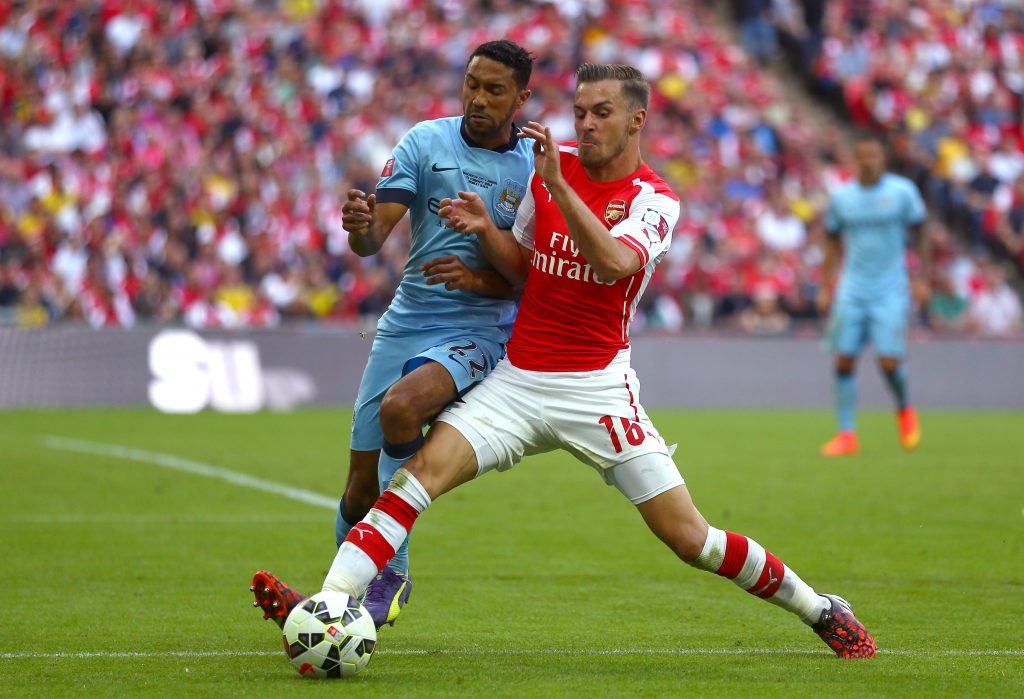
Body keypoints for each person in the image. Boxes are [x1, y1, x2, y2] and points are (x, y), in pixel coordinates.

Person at [254, 63, 876, 660]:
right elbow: (524, 268)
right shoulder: (552, 172)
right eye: (579, 112)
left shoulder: (653, 199)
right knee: (416, 481)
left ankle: (820, 609)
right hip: (518, 381)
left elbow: (612, 263)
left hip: (598, 391)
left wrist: (555, 185)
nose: (585, 125)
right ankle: (330, 603)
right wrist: (482, 234)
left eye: (601, 113)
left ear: (637, 120)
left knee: (693, 541)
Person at [251, 39, 535, 629]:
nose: (477, 98)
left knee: (403, 410)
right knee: (358, 491)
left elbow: (533, 277)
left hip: (481, 329)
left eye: (494, 89)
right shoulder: (425, 141)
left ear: (521, 97)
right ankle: (338, 612)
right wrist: (358, 226)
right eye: (471, 83)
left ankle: (394, 569)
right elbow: (372, 237)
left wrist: (480, 277)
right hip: (406, 321)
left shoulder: (534, 168)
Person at [818, 133, 929, 457]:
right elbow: (830, 240)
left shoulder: (902, 193)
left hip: (891, 288)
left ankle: (905, 408)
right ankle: (846, 434)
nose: (868, 162)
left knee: (889, 361)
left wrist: (923, 278)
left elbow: (921, 232)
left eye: (874, 156)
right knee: (844, 359)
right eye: (863, 156)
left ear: (883, 159)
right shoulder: (843, 198)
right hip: (852, 288)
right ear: (856, 159)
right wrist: (827, 285)